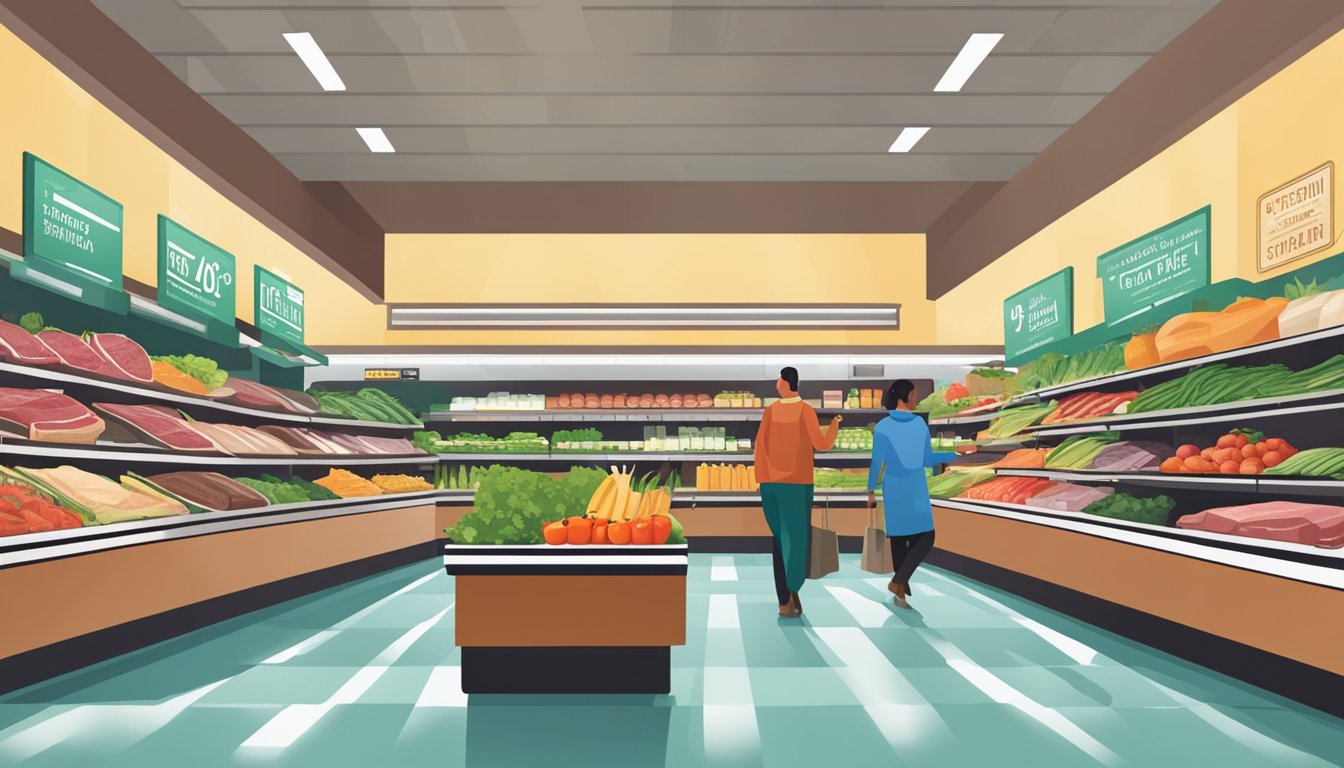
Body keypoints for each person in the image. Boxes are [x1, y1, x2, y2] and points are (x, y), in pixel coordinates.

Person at [867, 380, 976, 609]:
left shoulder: (883, 426)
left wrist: (870, 489)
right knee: (926, 536)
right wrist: (955, 453)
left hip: (893, 485)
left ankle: (899, 588)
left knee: (899, 538)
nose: (916, 398)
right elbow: (927, 459)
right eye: (913, 394)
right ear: (902, 397)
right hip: (915, 484)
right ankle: (899, 585)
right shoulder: (918, 425)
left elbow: (877, 461)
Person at [755, 367, 841, 618]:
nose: (776, 382)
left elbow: (761, 445)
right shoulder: (806, 411)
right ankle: (792, 590)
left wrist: (760, 477)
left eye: (779, 379)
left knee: (779, 540)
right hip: (798, 484)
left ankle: (785, 600)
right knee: (796, 539)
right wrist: (834, 425)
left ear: (785, 382)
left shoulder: (770, 411)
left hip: (771, 485)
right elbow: (821, 444)